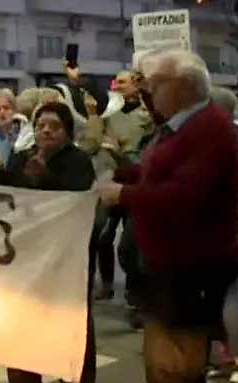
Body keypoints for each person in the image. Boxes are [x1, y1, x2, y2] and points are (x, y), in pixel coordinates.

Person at [98, 49, 238, 383]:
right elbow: (162, 174)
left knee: (176, 369)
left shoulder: (208, 130)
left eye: (155, 84)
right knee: (167, 369)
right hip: (169, 268)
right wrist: (129, 174)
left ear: (180, 87)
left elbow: (186, 196)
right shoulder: (182, 127)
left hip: (190, 270)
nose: (148, 93)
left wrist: (124, 194)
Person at [0, 102, 97, 383]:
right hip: (28, 253)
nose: (46, 131)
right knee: (21, 317)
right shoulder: (22, 157)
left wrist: (45, 177)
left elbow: (76, 200)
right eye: (40, 125)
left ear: (67, 132)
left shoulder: (78, 161)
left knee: (69, 323)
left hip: (66, 256)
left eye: (54, 126)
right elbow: (9, 196)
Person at [95, 70, 152, 301]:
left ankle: (133, 290)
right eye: (115, 82)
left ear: (135, 85)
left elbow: (143, 154)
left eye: (122, 82)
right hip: (112, 180)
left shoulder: (146, 117)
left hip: (135, 184)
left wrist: (121, 151)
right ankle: (107, 284)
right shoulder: (109, 113)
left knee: (131, 242)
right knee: (103, 236)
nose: (117, 86)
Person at [208, 86, 238, 383]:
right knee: (229, 294)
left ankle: (237, 358)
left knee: (234, 295)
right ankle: (233, 356)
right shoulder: (232, 137)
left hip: (230, 224)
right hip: (226, 225)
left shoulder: (229, 140)